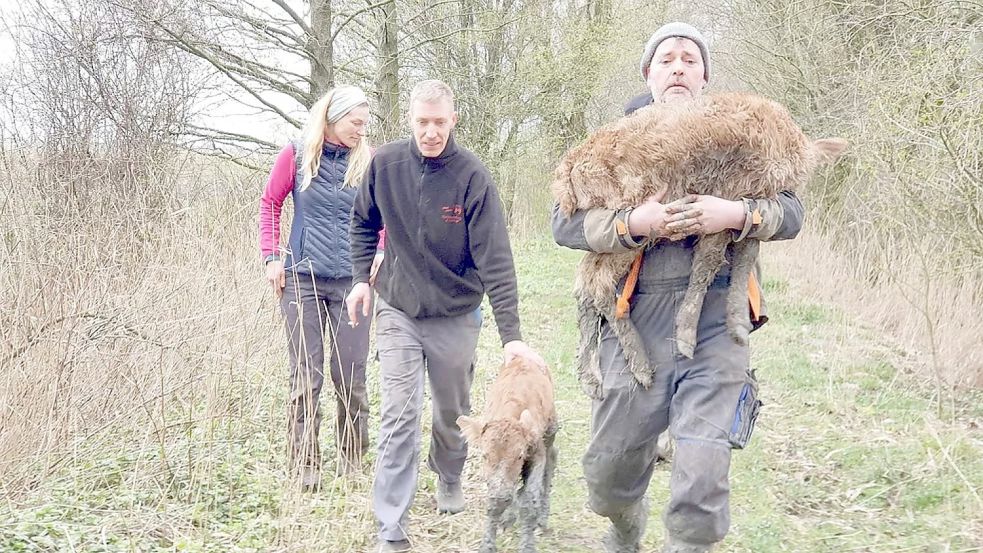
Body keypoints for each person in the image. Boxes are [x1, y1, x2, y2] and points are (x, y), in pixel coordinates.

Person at [551, 22, 804, 553]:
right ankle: (625, 525)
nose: (679, 67)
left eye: (690, 59)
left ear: (705, 76)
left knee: (703, 474)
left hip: (715, 322)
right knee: (607, 477)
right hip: (633, 322)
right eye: (667, 58)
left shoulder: (741, 139)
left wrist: (733, 213)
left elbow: (792, 212)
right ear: (648, 73)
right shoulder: (614, 144)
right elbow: (563, 223)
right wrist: (632, 224)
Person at [346, 79, 545, 553]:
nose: (430, 132)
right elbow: (362, 221)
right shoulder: (385, 165)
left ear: (453, 120)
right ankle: (390, 529)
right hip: (398, 308)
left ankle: (449, 473)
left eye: (439, 122)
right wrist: (359, 278)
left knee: (452, 411)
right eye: (422, 122)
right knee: (398, 414)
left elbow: (496, 258)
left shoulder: (472, 176)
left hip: (456, 313)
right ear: (410, 120)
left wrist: (511, 334)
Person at [259, 85, 383, 491]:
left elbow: (385, 214)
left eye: (366, 125)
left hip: (354, 283)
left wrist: (380, 249)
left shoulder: (369, 161)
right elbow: (270, 203)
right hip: (301, 280)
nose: (361, 131)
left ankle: (350, 463)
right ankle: (306, 467)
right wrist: (272, 256)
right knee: (305, 378)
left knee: (351, 377)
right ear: (332, 118)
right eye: (355, 123)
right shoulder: (295, 154)